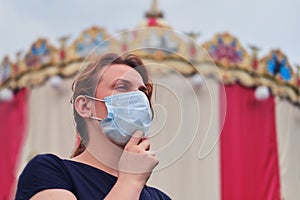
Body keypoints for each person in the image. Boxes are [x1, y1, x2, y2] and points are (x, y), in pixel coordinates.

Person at [15, 53, 171, 200]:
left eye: (142, 92)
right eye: (122, 87)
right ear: (84, 106)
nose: (138, 99)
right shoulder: (49, 172)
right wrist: (130, 181)